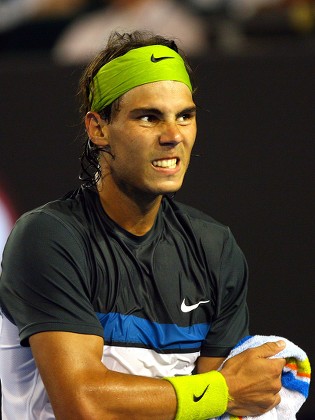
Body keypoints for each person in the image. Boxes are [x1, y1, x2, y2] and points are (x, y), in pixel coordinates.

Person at [0, 30, 286, 420]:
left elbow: (223, 409)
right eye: (149, 117)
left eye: (185, 116)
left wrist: (230, 395)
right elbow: (83, 403)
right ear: (98, 128)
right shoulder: (49, 237)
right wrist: (221, 390)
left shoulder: (215, 248)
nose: (173, 136)